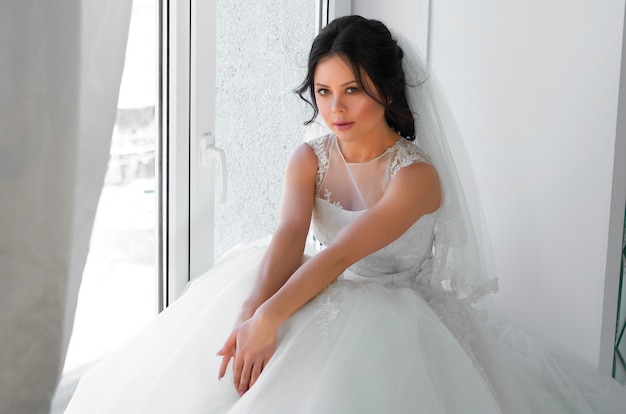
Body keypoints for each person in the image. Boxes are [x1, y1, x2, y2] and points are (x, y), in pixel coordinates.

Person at [66, 15, 626, 413]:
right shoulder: (309, 156)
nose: (335, 108)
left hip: (393, 311)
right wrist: (251, 310)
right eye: (324, 90)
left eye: (353, 90)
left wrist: (271, 317)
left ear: (385, 89)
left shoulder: (415, 177)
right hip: (312, 280)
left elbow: (339, 255)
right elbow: (289, 239)